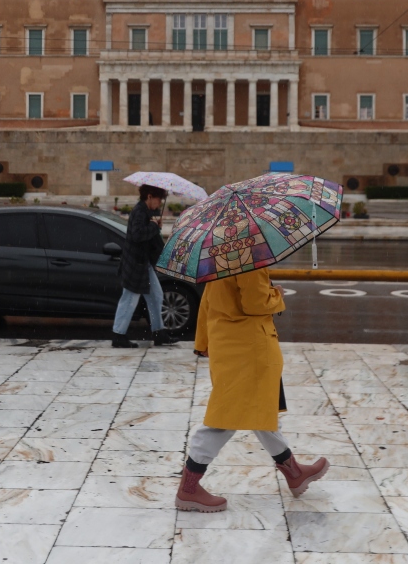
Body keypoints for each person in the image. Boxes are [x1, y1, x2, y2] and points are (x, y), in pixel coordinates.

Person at [175, 267, 328, 512]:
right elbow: (255, 303)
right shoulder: (249, 256)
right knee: (223, 420)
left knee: (258, 411)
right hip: (250, 349)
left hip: (228, 344)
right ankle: (189, 488)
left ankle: (294, 472)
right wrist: (276, 294)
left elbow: (207, 302)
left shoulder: (221, 255)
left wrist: (203, 341)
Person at [112, 184, 177, 348]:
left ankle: (159, 332)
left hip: (143, 263)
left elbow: (150, 238)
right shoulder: (139, 211)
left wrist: (156, 229)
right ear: (149, 196)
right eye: (158, 199)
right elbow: (138, 235)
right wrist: (155, 227)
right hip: (135, 263)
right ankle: (118, 335)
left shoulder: (147, 212)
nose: (159, 203)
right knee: (129, 299)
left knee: (156, 296)